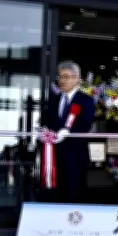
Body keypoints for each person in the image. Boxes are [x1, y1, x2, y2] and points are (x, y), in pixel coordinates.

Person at [40, 61, 95, 203]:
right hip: (53, 155)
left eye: (66, 77)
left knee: (74, 193)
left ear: (77, 79)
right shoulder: (53, 100)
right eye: (60, 77)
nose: (62, 80)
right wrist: (44, 131)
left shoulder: (86, 100)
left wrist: (67, 132)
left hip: (75, 155)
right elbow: (45, 121)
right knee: (53, 193)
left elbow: (85, 125)